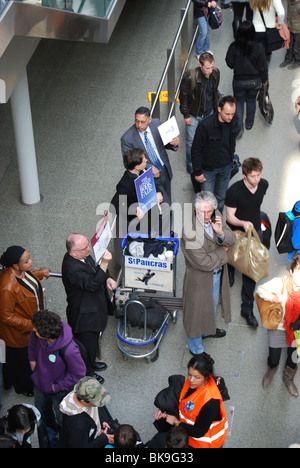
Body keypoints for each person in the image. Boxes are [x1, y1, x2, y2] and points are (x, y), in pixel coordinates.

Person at [181, 192, 236, 356]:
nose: (206, 216)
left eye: (209, 211)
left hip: (216, 274)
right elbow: (202, 263)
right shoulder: (189, 231)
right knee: (195, 313)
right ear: (195, 209)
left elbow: (232, 239)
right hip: (199, 279)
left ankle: (207, 330)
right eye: (202, 212)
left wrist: (221, 233)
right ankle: (196, 349)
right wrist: (223, 251)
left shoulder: (216, 214)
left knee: (211, 306)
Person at [61, 234, 116, 383]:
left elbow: (95, 268)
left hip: (93, 309)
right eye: (84, 248)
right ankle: (87, 372)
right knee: (84, 347)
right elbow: (91, 284)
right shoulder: (71, 268)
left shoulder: (83, 255)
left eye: (87, 245)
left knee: (91, 345)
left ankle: (91, 362)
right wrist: (105, 263)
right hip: (84, 316)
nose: (89, 250)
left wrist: (107, 278)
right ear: (73, 253)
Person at [0, 246, 50, 396]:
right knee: (23, 362)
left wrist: (40, 273)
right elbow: (6, 316)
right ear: (15, 265)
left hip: (31, 324)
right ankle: (25, 388)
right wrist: (31, 325)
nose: (31, 262)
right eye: (27, 261)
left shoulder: (21, 273)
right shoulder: (7, 288)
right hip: (19, 335)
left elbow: (28, 280)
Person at [225, 157, 269, 327]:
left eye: (258, 175)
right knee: (232, 257)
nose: (257, 179)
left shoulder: (263, 185)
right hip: (237, 232)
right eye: (252, 176)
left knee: (250, 270)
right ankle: (229, 269)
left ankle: (247, 308)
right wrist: (243, 223)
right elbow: (230, 216)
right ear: (244, 175)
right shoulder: (234, 192)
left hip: (255, 231)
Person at [151, 353, 228, 448]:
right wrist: (166, 411)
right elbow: (184, 403)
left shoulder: (211, 402)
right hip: (188, 434)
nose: (191, 380)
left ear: (207, 377)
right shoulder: (193, 384)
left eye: (197, 377)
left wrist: (176, 422)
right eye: (189, 374)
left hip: (205, 443)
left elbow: (198, 431)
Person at [28, 310, 86, 430]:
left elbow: (78, 374)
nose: (34, 330)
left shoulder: (70, 351)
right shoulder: (36, 334)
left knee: (61, 417)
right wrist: (32, 359)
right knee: (41, 412)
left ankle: (61, 434)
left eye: (37, 330)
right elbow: (32, 342)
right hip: (39, 382)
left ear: (46, 336)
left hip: (59, 390)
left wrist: (57, 387)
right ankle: (48, 430)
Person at [256, 253, 300, 396]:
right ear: (292, 271)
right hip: (279, 326)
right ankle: (272, 369)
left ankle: (288, 379)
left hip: (297, 330)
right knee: (274, 359)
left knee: (294, 357)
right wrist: (274, 298)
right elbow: (260, 290)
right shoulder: (280, 283)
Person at [120, 106, 180, 207]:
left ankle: (167, 218)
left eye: (143, 121)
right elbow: (128, 163)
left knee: (167, 199)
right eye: (137, 121)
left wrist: (174, 144)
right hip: (147, 178)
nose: (139, 125)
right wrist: (149, 167)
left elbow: (165, 143)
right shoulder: (127, 139)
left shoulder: (156, 124)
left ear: (150, 119)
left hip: (164, 169)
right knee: (154, 207)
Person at [191, 95, 239, 212]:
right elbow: (196, 149)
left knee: (221, 198)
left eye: (232, 114)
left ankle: (217, 220)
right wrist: (198, 172)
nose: (230, 117)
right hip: (208, 170)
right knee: (207, 201)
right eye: (227, 114)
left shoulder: (234, 120)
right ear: (219, 109)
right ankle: (205, 223)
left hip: (226, 166)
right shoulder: (205, 125)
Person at [110, 148, 165, 247]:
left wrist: (158, 192)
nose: (147, 161)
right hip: (137, 222)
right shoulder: (125, 184)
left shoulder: (142, 172)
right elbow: (114, 206)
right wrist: (135, 211)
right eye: (144, 160)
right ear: (137, 166)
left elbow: (151, 183)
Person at [179, 52, 221, 174]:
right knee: (191, 142)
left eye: (212, 67)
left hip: (209, 113)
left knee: (207, 139)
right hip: (193, 114)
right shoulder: (189, 77)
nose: (210, 70)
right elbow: (184, 97)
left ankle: (204, 162)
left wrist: (215, 109)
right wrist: (186, 114)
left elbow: (214, 92)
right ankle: (191, 165)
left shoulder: (216, 74)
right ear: (200, 65)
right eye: (207, 68)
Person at [225, 20, 268, 132]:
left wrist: (237, 65)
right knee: (251, 100)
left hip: (239, 80)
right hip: (255, 80)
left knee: (238, 102)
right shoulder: (259, 47)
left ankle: (239, 127)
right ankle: (249, 123)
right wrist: (265, 80)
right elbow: (263, 66)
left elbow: (229, 62)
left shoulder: (234, 46)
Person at [59, 376, 114, 448]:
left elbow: (94, 411)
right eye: (97, 401)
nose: (99, 404)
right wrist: (102, 439)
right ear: (83, 401)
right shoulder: (77, 426)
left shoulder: (80, 390)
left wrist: (101, 421)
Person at [279, 0, 300, 69]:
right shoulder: (290, 2)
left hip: (298, 29)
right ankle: (288, 59)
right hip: (290, 27)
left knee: (297, 47)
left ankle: (297, 61)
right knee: (289, 44)